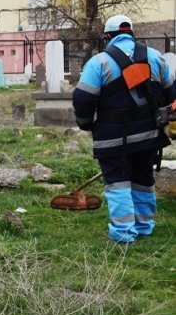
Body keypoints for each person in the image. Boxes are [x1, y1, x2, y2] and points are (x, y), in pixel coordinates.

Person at [73, 15, 176, 243]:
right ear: (131, 33)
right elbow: (173, 94)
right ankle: (144, 227)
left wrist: (86, 123)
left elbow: (82, 99)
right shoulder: (156, 57)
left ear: (108, 36)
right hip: (150, 135)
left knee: (118, 183)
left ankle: (123, 233)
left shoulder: (99, 62)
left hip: (113, 138)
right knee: (143, 179)